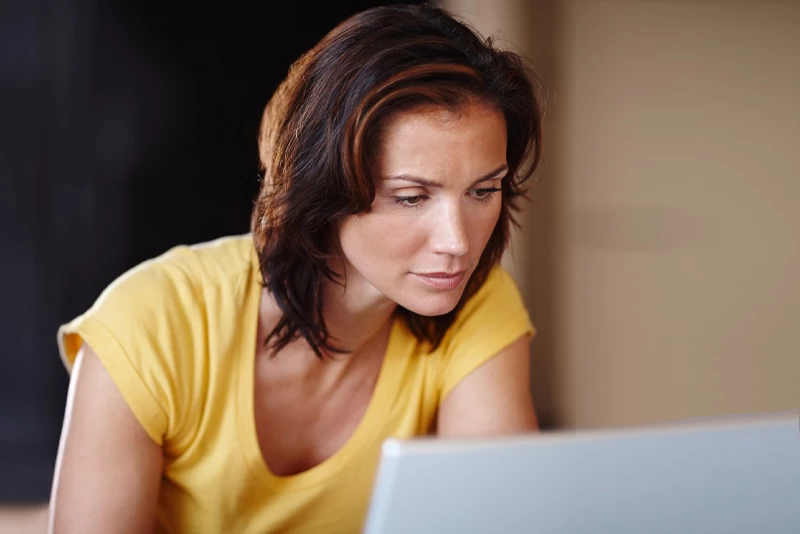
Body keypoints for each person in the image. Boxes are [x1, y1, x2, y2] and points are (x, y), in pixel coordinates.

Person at [48, 4, 544, 533]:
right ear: (323, 185)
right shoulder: (151, 324)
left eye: (483, 191)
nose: (458, 242)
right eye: (410, 197)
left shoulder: (479, 304)